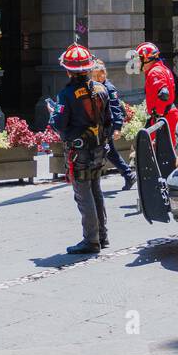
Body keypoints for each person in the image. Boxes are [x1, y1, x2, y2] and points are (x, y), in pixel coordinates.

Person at [50, 45, 111, 254]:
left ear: (68, 70)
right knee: (96, 190)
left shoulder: (66, 94)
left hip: (79, 152)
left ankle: (91, 240)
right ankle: (102, 235)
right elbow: (109, 120)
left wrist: (53, 112)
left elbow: (58, 123)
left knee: (83, 194)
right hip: (99, 148)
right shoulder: (102, 89)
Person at [92, 59, 134, 191]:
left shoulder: (109, 88)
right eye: (94, 76)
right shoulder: (95, 86)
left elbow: (116, 109)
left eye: (99, 75)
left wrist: (117, 128)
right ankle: (128, 174)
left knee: (106, 151)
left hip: (108, 126)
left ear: (104, 74)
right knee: (109, 152)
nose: (97, 78)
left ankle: (128, 174)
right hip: (102, 125)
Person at [137, 41, 178, 161]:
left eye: (140, 58)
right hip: (167, 115)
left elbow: (164, 94)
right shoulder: (162, 68)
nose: (139, 62)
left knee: (164, 155)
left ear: (147, 58)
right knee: (164, 152)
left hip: (164, 117)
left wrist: (158, 114)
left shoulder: (155, 72)